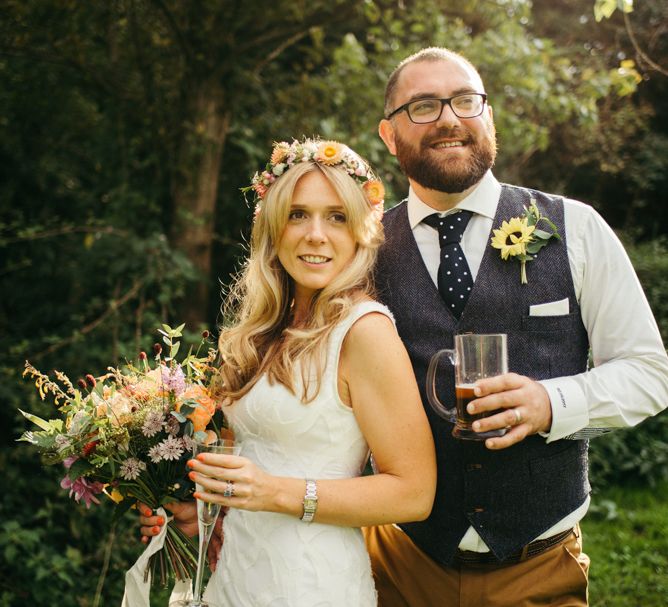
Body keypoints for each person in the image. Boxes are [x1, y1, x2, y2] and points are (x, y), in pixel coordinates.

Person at [363, 47, 668, 606]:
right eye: (424, 105)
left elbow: (650, 373)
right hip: (400, 564)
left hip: (540, 567)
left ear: (489, 115)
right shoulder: (361, 251)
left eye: (465, 100)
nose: (450, 118)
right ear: (389, 134)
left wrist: (552, 403)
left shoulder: (575, 226)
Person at [141, 138, 436, 605]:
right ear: (274, 228)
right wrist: (197, 514)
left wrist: (273, 492)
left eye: (336, 217)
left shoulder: (364, 332)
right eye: (298, 214)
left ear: (360, 230)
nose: (315, 234)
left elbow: (414, 493)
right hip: (237, 574)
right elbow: (249, 461)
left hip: (311, 583)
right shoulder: (258, 332)